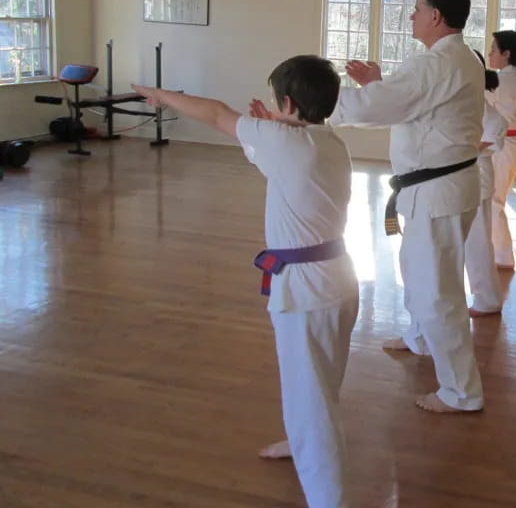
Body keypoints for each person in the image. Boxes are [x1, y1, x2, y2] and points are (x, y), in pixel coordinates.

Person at [132, 54, 359, 508]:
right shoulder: (329, 143)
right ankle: (299, 443)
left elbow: (216, 112)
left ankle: (328, 498)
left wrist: (160, 96)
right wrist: (272, 127)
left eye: (278, 104)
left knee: (312, 398)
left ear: (288, 103)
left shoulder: (285, 140)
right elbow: (277, 161)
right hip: (337, 282)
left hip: (307, 291)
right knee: (317, 382)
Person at [329, 0, 485, 414]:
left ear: (436, 16)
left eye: (417, 8)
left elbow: (380, 107)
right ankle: (420, 337)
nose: (412, 15)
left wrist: (312, 103)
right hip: (437, 188)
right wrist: (379, 84)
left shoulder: (437, 64)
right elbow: (408, 105)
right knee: (416, 268)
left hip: (438, 190)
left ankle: (462, 392)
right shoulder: (455, 58)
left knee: (439, 291)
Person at [465, 51, 507, 317]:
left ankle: (487, 299)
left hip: (476, 176)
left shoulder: (481, 106)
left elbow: (496, 127)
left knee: (477, 240)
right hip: (464, 177)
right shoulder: (468, 101)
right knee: (469, 241)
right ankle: (484, 297)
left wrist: (465, 149)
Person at [486, 30, 516, 269]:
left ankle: (502, 257)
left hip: (506, 147)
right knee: (494, 199)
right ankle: (497, 252)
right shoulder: (508, 77)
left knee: (494, 201)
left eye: (493, 50)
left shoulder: (506, 80)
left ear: (507, 54)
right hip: (509, 146)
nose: (490, 53)